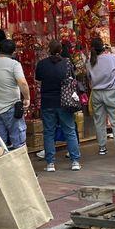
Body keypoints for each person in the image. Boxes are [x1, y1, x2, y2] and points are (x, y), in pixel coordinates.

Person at [35, 41, 81, 172]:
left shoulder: (42, 64)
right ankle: (75, 161)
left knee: (49, 132)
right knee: (70, 131)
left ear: (48, 50)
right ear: (61, 50)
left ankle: (50, 163)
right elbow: (73, 79)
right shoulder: (67, 63)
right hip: (65, 101)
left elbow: (38, 79)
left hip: (47, 102)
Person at [85, 38, 115, 158]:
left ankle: (102, 147)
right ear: (103, 47)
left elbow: (89, 78)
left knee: (99, 122)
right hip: (111, 92)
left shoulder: (89, 61)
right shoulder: (112, 57)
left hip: (96, 93)